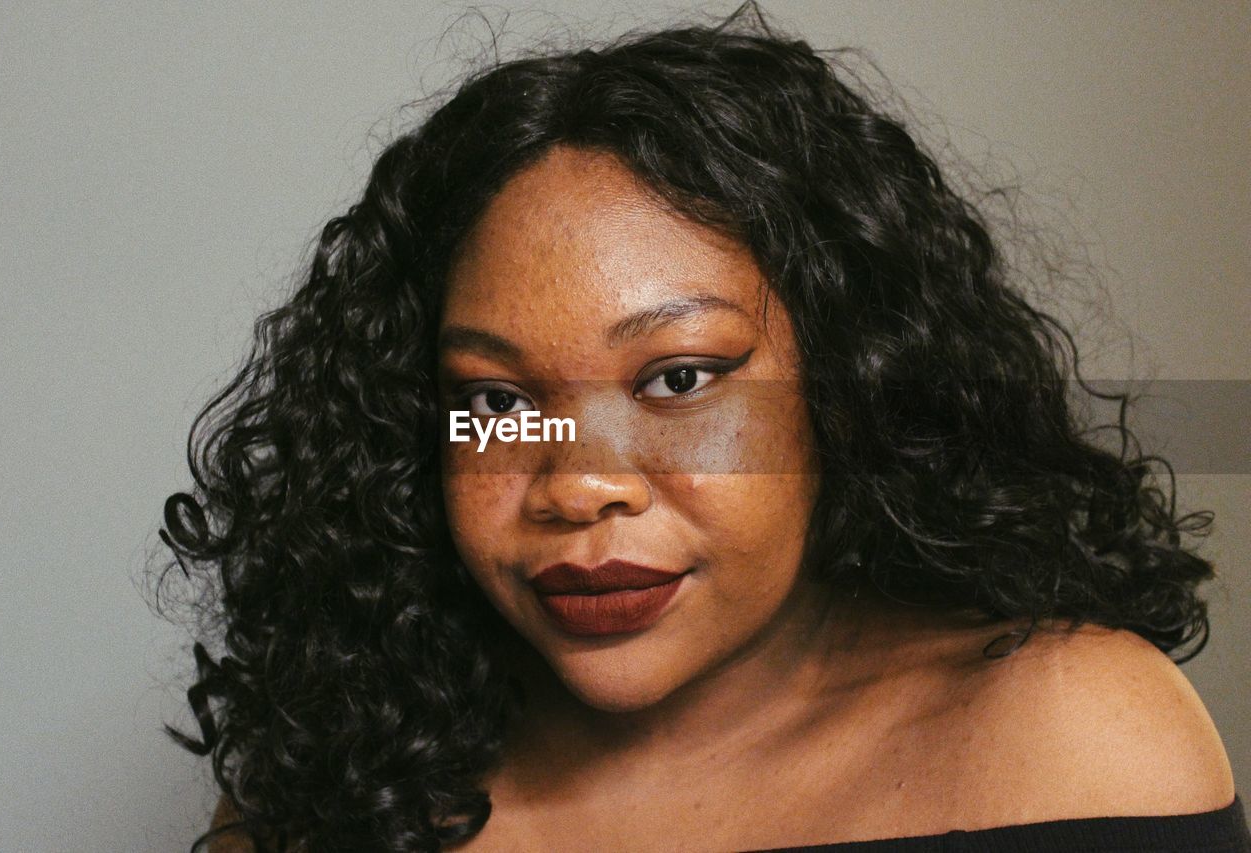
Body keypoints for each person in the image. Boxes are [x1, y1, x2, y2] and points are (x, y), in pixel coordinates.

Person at [159, 5, 1249, 851]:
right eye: (493, 400)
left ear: (847, 387)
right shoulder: (337, 789)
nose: (578, 485)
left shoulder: (1065, 737)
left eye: (678, 379)